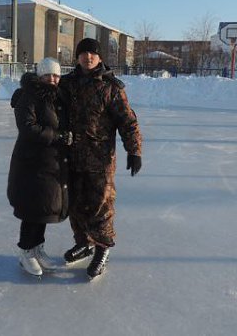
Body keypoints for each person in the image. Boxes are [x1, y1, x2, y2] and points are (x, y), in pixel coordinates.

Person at [59, 38, 142, 280]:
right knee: (75, 204)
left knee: (101, 206)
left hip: (100, 159)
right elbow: (47, 98)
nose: (88, 57)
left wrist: (134, 151)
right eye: (83, 53)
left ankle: (102, 248)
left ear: (100, 58)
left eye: (92, 54)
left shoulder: (111, 87)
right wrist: (26, 93)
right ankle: (84, 243)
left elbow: (128, 121)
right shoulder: (67, 83)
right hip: (72, 156)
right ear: (77, 57)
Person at [7, 57, 73, 277]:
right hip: (31, 161)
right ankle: (25, 251)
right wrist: (58, 136)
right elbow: (28, 127)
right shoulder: (29, 95)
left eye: (56, 75)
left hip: (51, 162)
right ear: (39, 75)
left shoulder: (57, 96)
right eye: (47, 75)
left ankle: (37, 248)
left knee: (44, 207)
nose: (52, 79)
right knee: (32, 208)